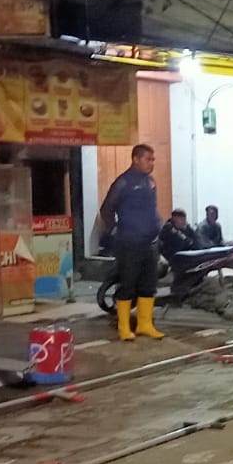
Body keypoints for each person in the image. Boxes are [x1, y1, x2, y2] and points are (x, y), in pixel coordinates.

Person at [99, 144, 165, 342]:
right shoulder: (123, 182)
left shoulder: (150, 181)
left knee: (148, 285)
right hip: (129, 243)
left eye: (153, 159)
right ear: (135, 159)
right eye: (148, 159)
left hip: (150, 243)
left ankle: (145, 324)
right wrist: (117, 229)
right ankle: (124, 327)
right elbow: (106, 209)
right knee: (128, 284)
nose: (151, 163)